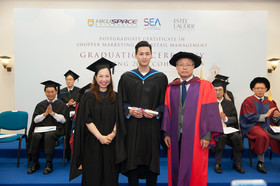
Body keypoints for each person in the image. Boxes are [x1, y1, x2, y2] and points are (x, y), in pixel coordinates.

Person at [161, 52, 223, 186]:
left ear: (193, 66)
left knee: (196, 168)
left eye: (188, 64)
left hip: (197, 136)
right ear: (176, 68)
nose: (184, 68)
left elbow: (210, 112)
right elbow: (167, 111)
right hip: (175, 135)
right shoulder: (171, 87)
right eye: (181, 65)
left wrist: (206, 135)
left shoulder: (205, 85)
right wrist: (166, 133)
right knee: (176, 166)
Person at [118, 41, 168, 186]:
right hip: (132, 126)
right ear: (135, 56)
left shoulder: (160, 78)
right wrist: (129, 111)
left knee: (151, 159)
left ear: (151, 55)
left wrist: (157, 113)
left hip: (152, 127)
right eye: (141, 54)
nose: (144, 57)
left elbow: (164, 103)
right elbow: (121, 101)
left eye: (147, 54)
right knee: (132, 159)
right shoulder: (127, 77)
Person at [70, 58, 124, 186]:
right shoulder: (88, 96)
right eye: (100, 76)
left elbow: (119, 118)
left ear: (110, 77)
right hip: (93, 143)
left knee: (110, 176)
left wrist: (112, 134)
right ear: (95, 77)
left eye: (107, 76)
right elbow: (87, 120)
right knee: (93, 176)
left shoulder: (116, 96)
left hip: (111, 143)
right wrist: (100, 137)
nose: (104, 79)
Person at [26, 80, 68, 175]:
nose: (50, 94)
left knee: (49, 135)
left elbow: (64, 120)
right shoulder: (41, 105)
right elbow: (35, 120)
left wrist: (53, 114)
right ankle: (35, 162)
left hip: (56, 129)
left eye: (52, 92)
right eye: (48, 92)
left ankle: (49, 163)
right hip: (41, 128)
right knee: (35, 136)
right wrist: (45, 114)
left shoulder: (61, 104)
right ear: (45, 92)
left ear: (56, 92)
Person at [240, 77, 280, 173]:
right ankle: (260, 162)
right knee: (262, 135)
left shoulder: (270, 102)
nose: (260, 90)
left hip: (268, 127)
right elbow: (247, 117)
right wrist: (265, 116)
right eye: (257, 88)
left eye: (262, 88)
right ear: (253, 89)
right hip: (252, 127)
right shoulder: (248, 101)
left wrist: (275, 117)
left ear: (266, 89)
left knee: (268, 134)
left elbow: (276, 119)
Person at [212, 79, 245, 174]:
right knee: (221, 137)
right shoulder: (209, 104)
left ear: (224, 91)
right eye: (215, 90)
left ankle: (237, 164)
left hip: (228, 129)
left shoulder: (229, 103)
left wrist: (226, 118)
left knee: (236, 137)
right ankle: (218, 164)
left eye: (220, 90)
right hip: (215, 130)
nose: (218, 92)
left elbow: (234, 119)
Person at [59, 70, 81, 160]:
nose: (69, 82)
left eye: (71, 80)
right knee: (67, 131)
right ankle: (68, 155)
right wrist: (68, 104)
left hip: (76, 116)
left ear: (74, 81)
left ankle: (76, 154)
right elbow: (59, 105)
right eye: (67, 80)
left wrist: (75, 104)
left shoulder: (79, 91)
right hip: (65, 116)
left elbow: (81, 103)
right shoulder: (61, 92)